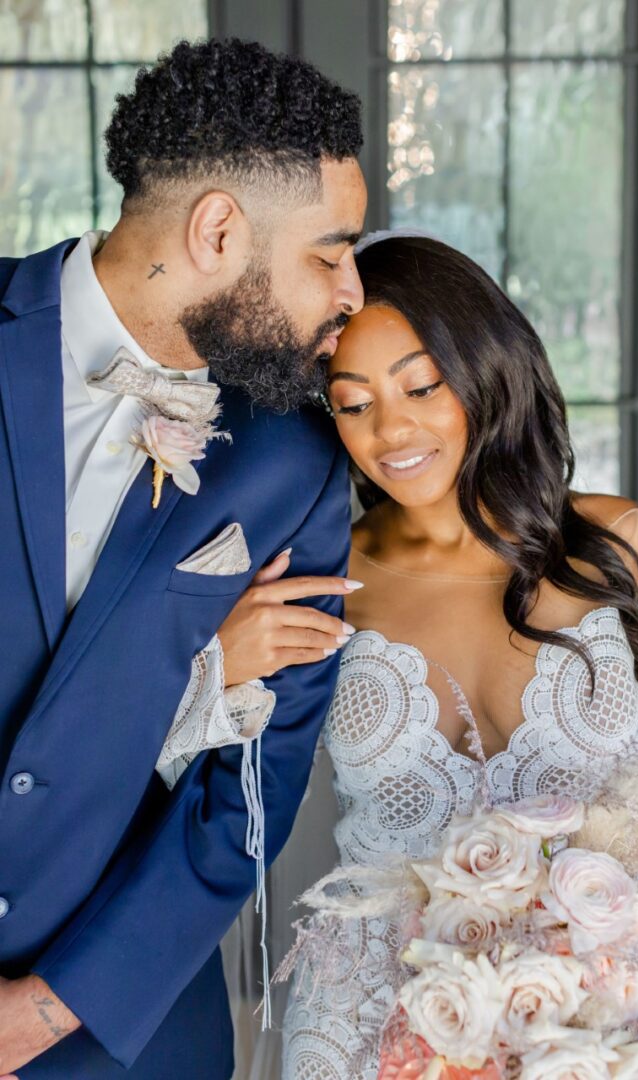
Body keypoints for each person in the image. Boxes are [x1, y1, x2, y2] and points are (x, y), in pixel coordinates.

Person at [0, 38, 366, 1078]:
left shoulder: (296, 459)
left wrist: (45, 1012)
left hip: (126, 1035)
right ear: (219, 230)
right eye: (330, 251)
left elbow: (251, 790)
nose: (351, 289)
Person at [274, 234, 638, 1078]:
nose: (390, 429)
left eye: (420, 386)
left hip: (593, 1020)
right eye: (352, 401)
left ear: (483, 371)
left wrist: (605, 949)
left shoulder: (625, 546)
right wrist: (221, 660)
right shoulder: (321, 574)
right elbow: (202, 765)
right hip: (370, 1021)